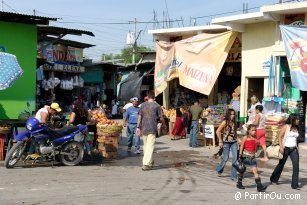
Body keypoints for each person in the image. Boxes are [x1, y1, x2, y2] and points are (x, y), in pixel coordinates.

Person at [136, 90, 165, 171]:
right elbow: (161, 117)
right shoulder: (157, 106)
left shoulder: (143, 105)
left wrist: (138, 127)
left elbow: (139, 117)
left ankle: (150, 161)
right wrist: (164, 125)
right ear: (154, 97)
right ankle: (146, 164)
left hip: (144, 128)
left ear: (147, 97)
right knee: (150, 146)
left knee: (146, 146)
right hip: (152, 128)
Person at [270, 114, 301, 190]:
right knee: (281, 164)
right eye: (297, 119)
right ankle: (273, 179)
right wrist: (281, 147)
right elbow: (280, 136)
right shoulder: (286, 126)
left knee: (296, 165)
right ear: (292, 119)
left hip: (294, 149)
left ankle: (294, 185)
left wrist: (297, 148)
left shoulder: (296, 127)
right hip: (285, 148)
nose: (298, 120)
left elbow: (296, 139)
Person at [236, 124, 267, 192]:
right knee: (242, 171)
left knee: (255, 171)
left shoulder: (255, 139)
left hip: (252, 157)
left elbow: (256, 147)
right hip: (245, 157)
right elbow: (241, 147)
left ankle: (259, 186)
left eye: (255, 130)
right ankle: (239, 183)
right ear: (249, 131)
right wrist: (240, 156)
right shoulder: (245, 137)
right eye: (252, 130)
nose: (254, 132)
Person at [215, 109, 238, 180]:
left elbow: (235, 132)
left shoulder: (235, 122)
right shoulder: (225, 122)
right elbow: (218, 131)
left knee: (235, 158)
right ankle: (219, 169)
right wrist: (220, 141)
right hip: (226, 143)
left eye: (233, 114)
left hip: (234, 142)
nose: (233, 116)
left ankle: (233, 175)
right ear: (228, 115)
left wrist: (238, 139)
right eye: (231, 114)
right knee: (225, 158)